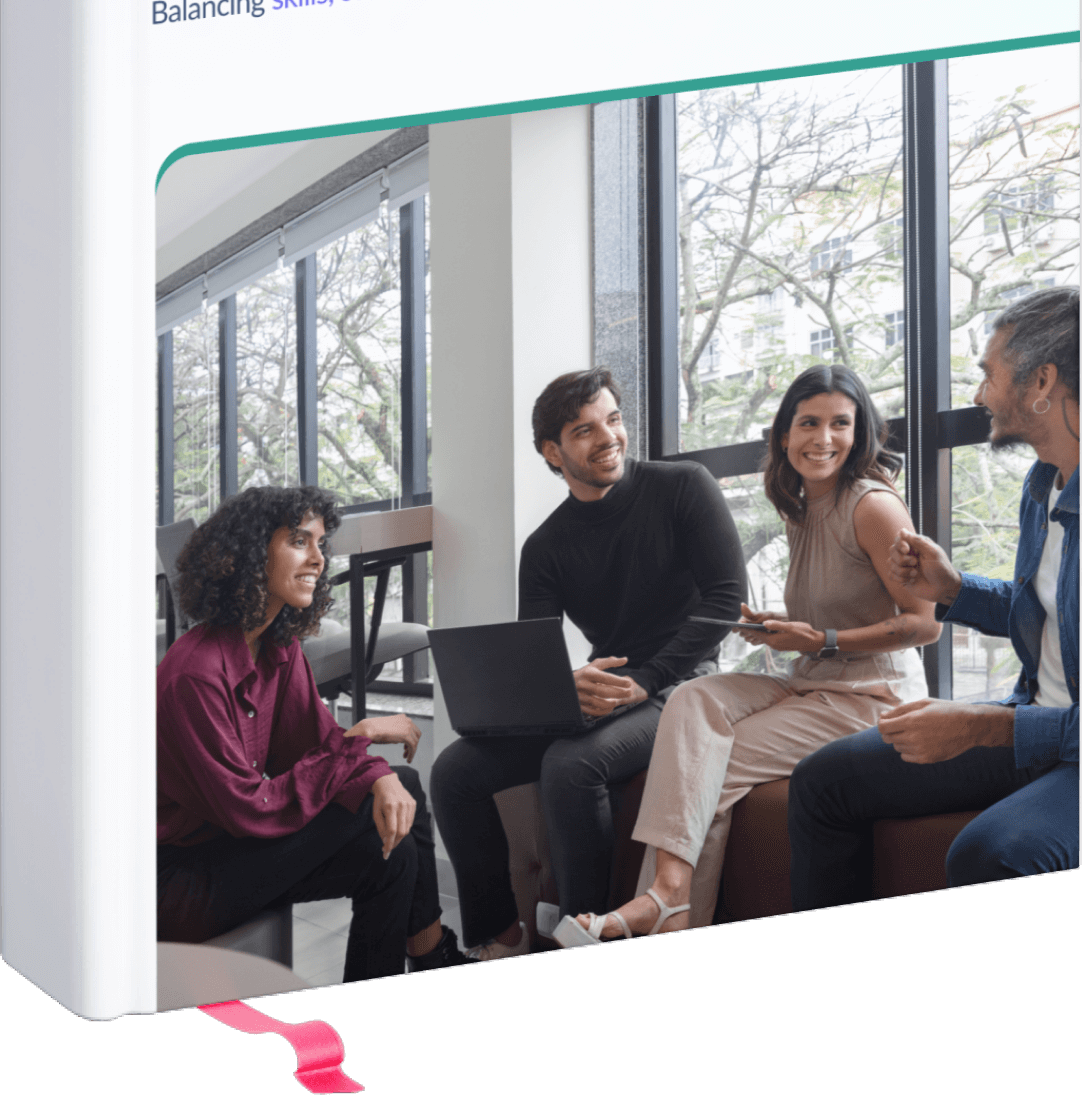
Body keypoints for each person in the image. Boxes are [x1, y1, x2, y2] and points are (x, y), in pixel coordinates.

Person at [557, 363, 942, 942]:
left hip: (869, 697)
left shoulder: (872, 506)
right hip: (812, 678)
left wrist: (821, 640)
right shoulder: (806, 507)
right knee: (693, 699)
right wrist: (786, 627)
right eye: (809, 423)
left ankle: (661, 903)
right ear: (784, 435)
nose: (824, 438)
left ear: (859, 433)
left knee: (706, 769)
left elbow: (923, 624)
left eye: (841, 423)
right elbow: (846, 609)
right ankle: (668, 906)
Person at [429, 368, 747, 958]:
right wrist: (562, 686)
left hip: (688, 681)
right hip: (610, 688)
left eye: (614, 420)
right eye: (584, 430)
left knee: (572, 766)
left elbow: (726, 599)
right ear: (553, 452)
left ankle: (587, 929)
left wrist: (647, 680)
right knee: (453, 771)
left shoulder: (684, 487)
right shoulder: (546, 548)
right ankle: (499, 935)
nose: (609, 438)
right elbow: (534, 655)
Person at [787, 286, 1079, 904]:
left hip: (1064, 745)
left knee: (990, 854)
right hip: (1034, 720)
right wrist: (952, 588)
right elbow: (1050, 615)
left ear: (1042, 382)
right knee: (822, 781)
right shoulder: (1042, 485)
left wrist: (988, 727)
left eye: (989, 374)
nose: (978, 396)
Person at [157, 484, 472, 979]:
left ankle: (421, 957)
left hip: (233, 851)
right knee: (393, 801)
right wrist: (364, 739)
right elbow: (249, 807)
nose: (319, 560)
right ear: (249, 551)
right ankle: (432, 953)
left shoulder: (276, 648)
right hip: (182, 881)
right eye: (299, 541)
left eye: (321, 544)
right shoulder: (195, 672)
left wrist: (370, 766)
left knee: (389, 850)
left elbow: (317, 747)